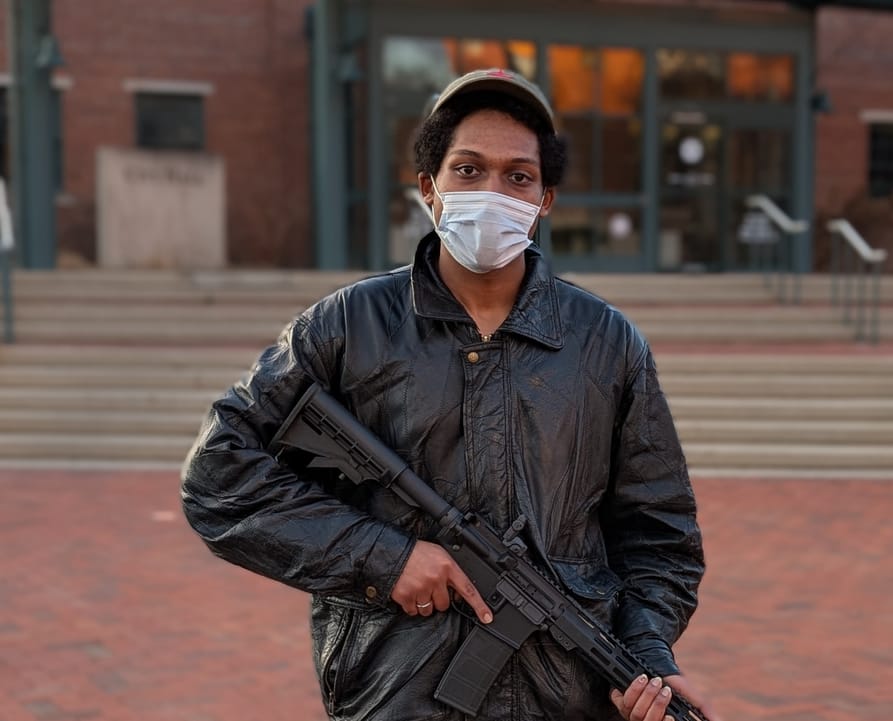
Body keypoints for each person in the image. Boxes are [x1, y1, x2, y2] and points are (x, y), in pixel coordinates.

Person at [180, 68, 719, 721]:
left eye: (518, 176)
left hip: (571, 701)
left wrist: (647, 659)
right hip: (396, 699)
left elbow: (661, 536)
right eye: (468, 170)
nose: (492, 191)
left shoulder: (607, 343)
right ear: (428, 188)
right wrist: (384, 557)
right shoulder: (347, 327)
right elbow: (218, 475)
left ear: (545, 199)